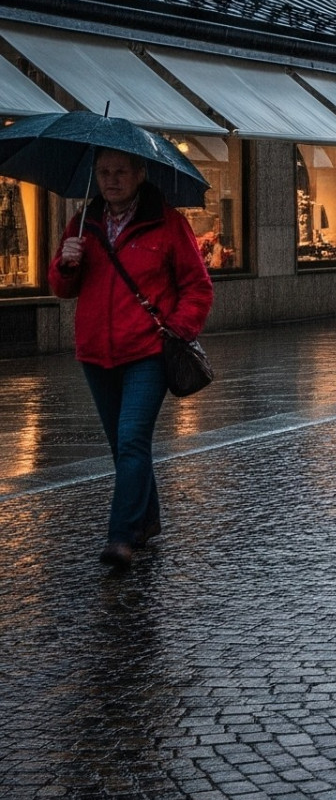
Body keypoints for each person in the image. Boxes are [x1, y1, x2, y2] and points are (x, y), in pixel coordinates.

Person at [50, 150, 214, 568]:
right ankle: (148, 520)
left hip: (147, 352)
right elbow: (61, 289)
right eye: (104, 172)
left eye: (120, 171)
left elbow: (198, 287)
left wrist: (175, 332)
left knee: (132, 440)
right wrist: (66, 264)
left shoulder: (168, 223)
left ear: (140, 174)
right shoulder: (84, 224)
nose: (111, 180)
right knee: (123, 446)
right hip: (96, 354)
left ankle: (120, 536)